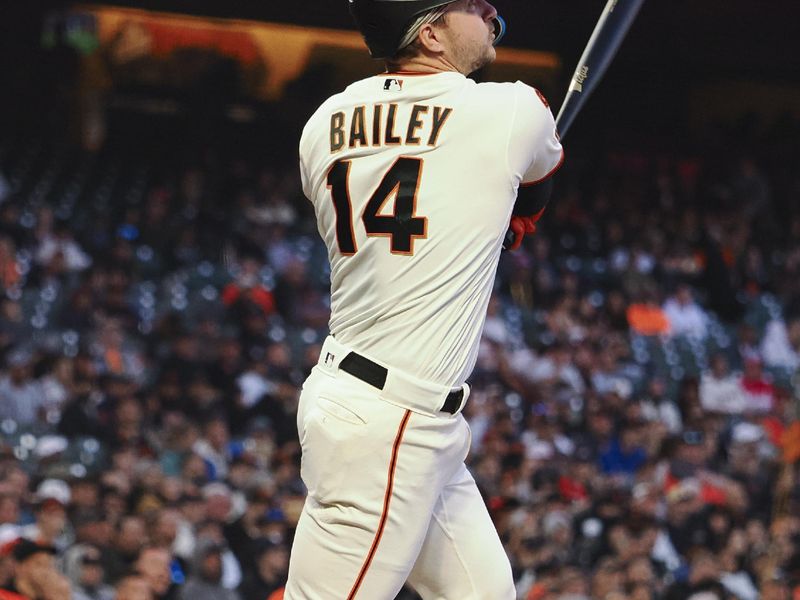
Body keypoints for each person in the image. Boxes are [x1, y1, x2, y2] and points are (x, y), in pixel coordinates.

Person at [286, 0, 563, 597]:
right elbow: (535, 191)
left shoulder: (324, 120)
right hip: (388, 422)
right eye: (470, 5)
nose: (489, 9)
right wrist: (510, 216)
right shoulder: (510, 108)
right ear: (431, 34)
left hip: (383, 405)